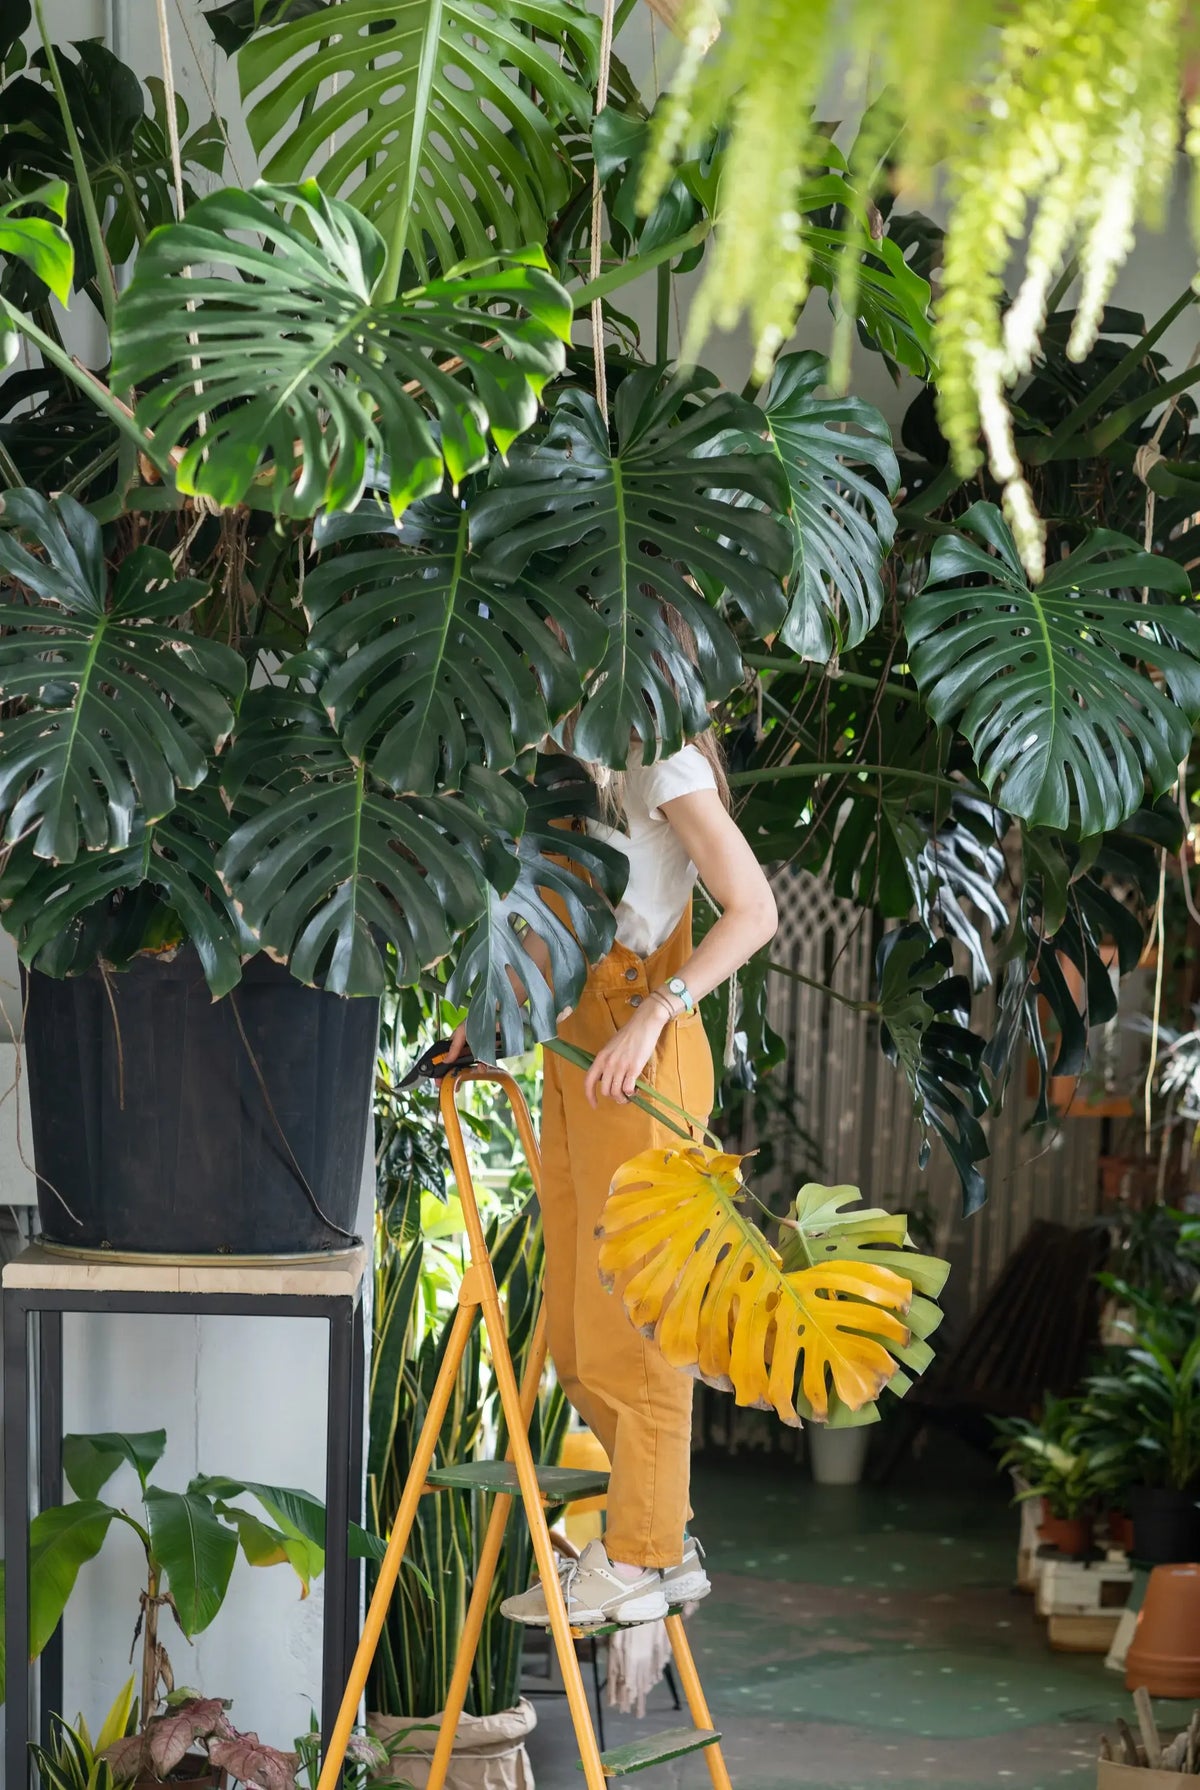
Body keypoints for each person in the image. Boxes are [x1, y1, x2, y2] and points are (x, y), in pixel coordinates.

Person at [448, 726, 777, 1628]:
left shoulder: (659, 762)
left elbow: (755, 910)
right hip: (573, 1049)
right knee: (576, 1335)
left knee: (639, 1331)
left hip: (639, 1044)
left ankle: (641, 1551)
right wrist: (494, 1013)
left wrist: (660, 1014)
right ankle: (659, 1543)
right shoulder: (557, 762)